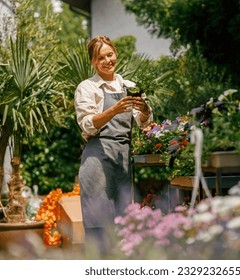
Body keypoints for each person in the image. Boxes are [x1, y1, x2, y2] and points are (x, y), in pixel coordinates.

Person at [74, 35, 153, 253]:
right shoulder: (87, 87)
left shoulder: (130, 86)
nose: (107, 60)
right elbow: (87, 124)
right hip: (97, 158)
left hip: (122, 157)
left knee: (124, 222)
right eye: (101, 58)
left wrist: (145, 110)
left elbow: (145, 123)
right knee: (99, 222)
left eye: (110, 54)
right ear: (93, 62)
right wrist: (112, 110)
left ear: (116, 53)